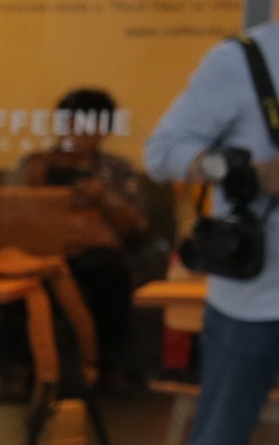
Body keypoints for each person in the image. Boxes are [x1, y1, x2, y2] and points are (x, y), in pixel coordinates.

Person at [142, 0, 279, 445]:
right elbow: (163, 150)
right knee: (216, 443)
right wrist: (246, 170)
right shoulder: (242, 61)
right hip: (250, 295)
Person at [16, 87, 169, 387]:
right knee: (21, 275)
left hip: (96, 254)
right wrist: (35, 190)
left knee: (109, 269)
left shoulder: (116, 169)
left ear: (104, 130)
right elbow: (8, 217)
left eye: (90, 125)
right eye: (72, 123)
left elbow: (138, 225)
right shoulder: (35, 163)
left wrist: (105, 199)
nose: (79, 133)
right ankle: (24, 365)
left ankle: (107, 362)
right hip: (42, 250)